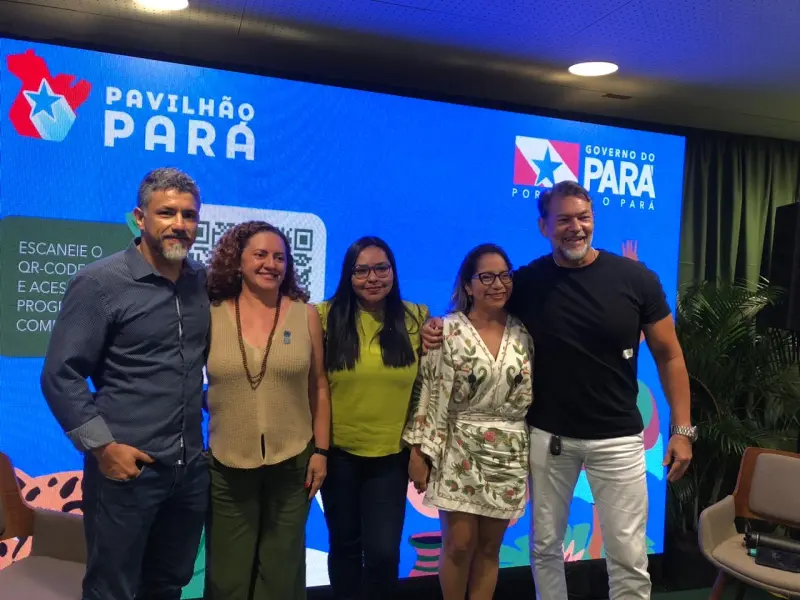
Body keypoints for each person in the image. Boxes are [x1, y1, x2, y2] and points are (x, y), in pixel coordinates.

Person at [422, 181, 694, 600]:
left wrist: (682, 430)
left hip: (619, 440)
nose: (575, 227)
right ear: (543, 226)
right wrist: (437, 327)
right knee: (544, 548)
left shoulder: (637, 279)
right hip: (549, 440)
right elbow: (481, 313)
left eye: (583, 217)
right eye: (564, 219)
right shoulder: (526, 282)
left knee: (628, 555)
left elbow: (669, 355)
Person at [40, 168, 210, 600]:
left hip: (188, 472)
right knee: (111, 590)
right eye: (166, 212)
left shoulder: (201, 283)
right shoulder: (100, 282)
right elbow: (60, 374)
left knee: (168, 585)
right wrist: (103, 449)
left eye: (189, 215)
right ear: (139, 218)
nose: (179, 224)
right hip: (126, 471)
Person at [204, 221, 330, 600]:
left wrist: (321, 452)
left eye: (279, 257)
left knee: (281, 575)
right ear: (238, 260)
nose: (270, 264)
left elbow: (319, 386)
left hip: (293, 463)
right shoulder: (210, 314)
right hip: (227, 465)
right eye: (260, 255)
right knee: (227, 577)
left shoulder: (305, 315)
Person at [405, 243, 534, 600]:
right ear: (467, 285)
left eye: (504, 276)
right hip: (458, 449)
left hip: (509, 453)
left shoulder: (524, 333)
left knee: (490, 548)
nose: (497, 284)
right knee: (459, 545)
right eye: (486, 277)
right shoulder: (445, 330)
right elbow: (429, 392)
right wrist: (419, 452)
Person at [316, 236, 428, 600]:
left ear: (393, 271)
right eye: (361, 270)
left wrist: (418, 449)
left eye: (381, 268)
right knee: (345, 546)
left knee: (383, 554)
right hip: (338, 455)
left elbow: (425, 390)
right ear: (348, 276)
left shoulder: (418, 318)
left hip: (391, 457)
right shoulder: (323, 317)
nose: (373, 278)